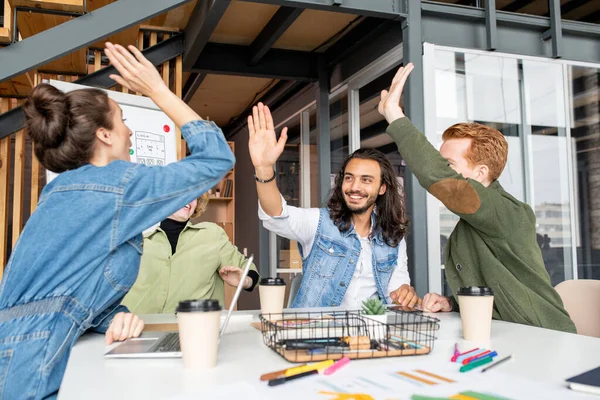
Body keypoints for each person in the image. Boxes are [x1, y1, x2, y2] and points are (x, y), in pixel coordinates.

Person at [0, 42, 235, 399]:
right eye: (122, 120)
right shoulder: (117, 185)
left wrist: (115, 316)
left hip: (20, 351)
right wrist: (157, 89)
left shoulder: (64, 191)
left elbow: (71, 291)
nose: (129, 131)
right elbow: (217, 157)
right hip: (32, 360)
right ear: (104, 135)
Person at [378, 63, 576, 333]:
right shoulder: (472, 223)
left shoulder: (507, 212)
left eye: (448, 164)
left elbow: (438, 178)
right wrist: (452, 303)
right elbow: (498, 294)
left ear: (481, 172)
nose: (442, 170)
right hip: (508, 335)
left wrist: (395, 116)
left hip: (545, 336)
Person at [249, 103, 419, 309]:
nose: (355, 187)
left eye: (366, 180)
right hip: (314, 335)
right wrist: (264, 168)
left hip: (368, 335)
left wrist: (405, 293)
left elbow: (397, 292)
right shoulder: (318, 223)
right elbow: (275, 215)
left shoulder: (393, 237)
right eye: (349, 178)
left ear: (382, 188)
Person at [122, 193, 259, 313]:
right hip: (139, 330)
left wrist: (245, 281)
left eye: (195, 194)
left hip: (195, 329)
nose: (190, 199)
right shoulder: (138, 243)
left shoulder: (211, 235)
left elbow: (248, 269)